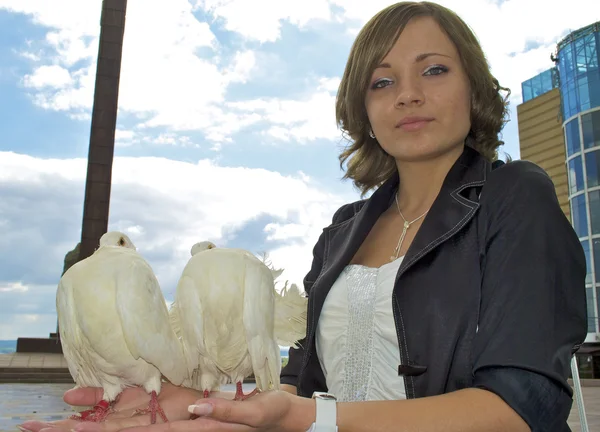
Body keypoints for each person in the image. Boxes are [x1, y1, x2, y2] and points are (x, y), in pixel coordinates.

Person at [20, 2, 587, 432]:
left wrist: (305, 416)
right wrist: (211, 409)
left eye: (434, 71)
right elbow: (302, 388)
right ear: (361, 106)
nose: (407, 95)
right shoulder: (341, 232)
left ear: (474, 86)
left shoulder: (515, 198)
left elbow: (523, 404)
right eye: (382, 81)